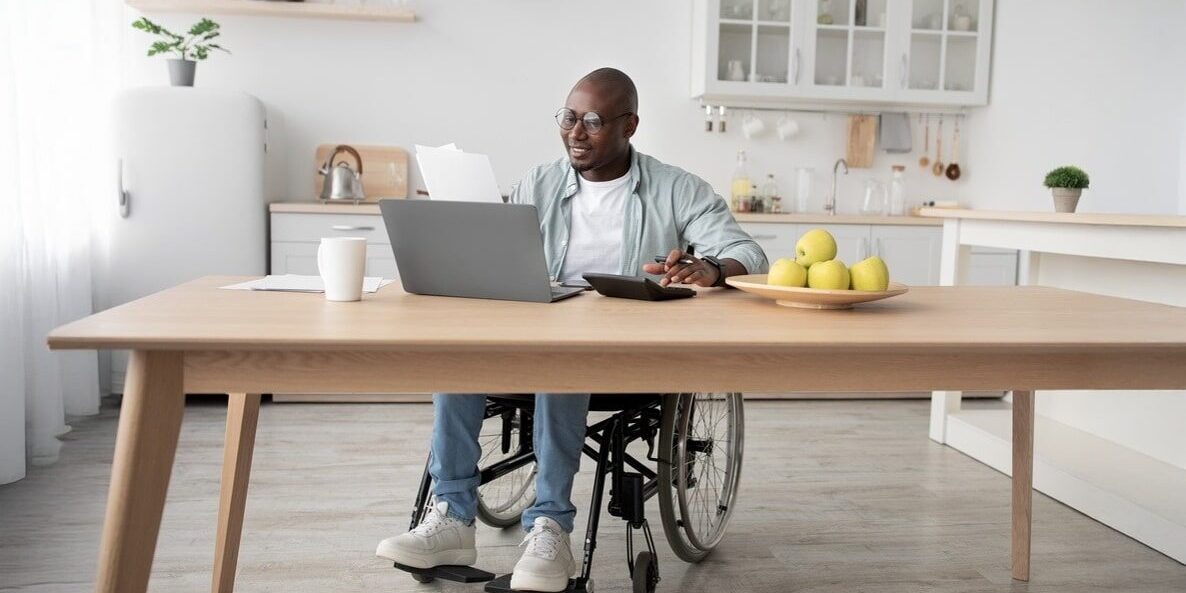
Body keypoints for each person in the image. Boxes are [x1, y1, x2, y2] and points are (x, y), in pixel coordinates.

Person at [376, 67, 767, 592]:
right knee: (460, 353)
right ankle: (451, 515)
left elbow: (749, 251)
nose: (575, 133)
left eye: (592, 121)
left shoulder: (677, 189)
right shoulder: (537, 183)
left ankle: (550, 528)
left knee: (563, 355)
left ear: (629, 126)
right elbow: (496, 254)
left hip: (627, 356)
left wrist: (712, 269)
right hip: (538, 338)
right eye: (567, 118)